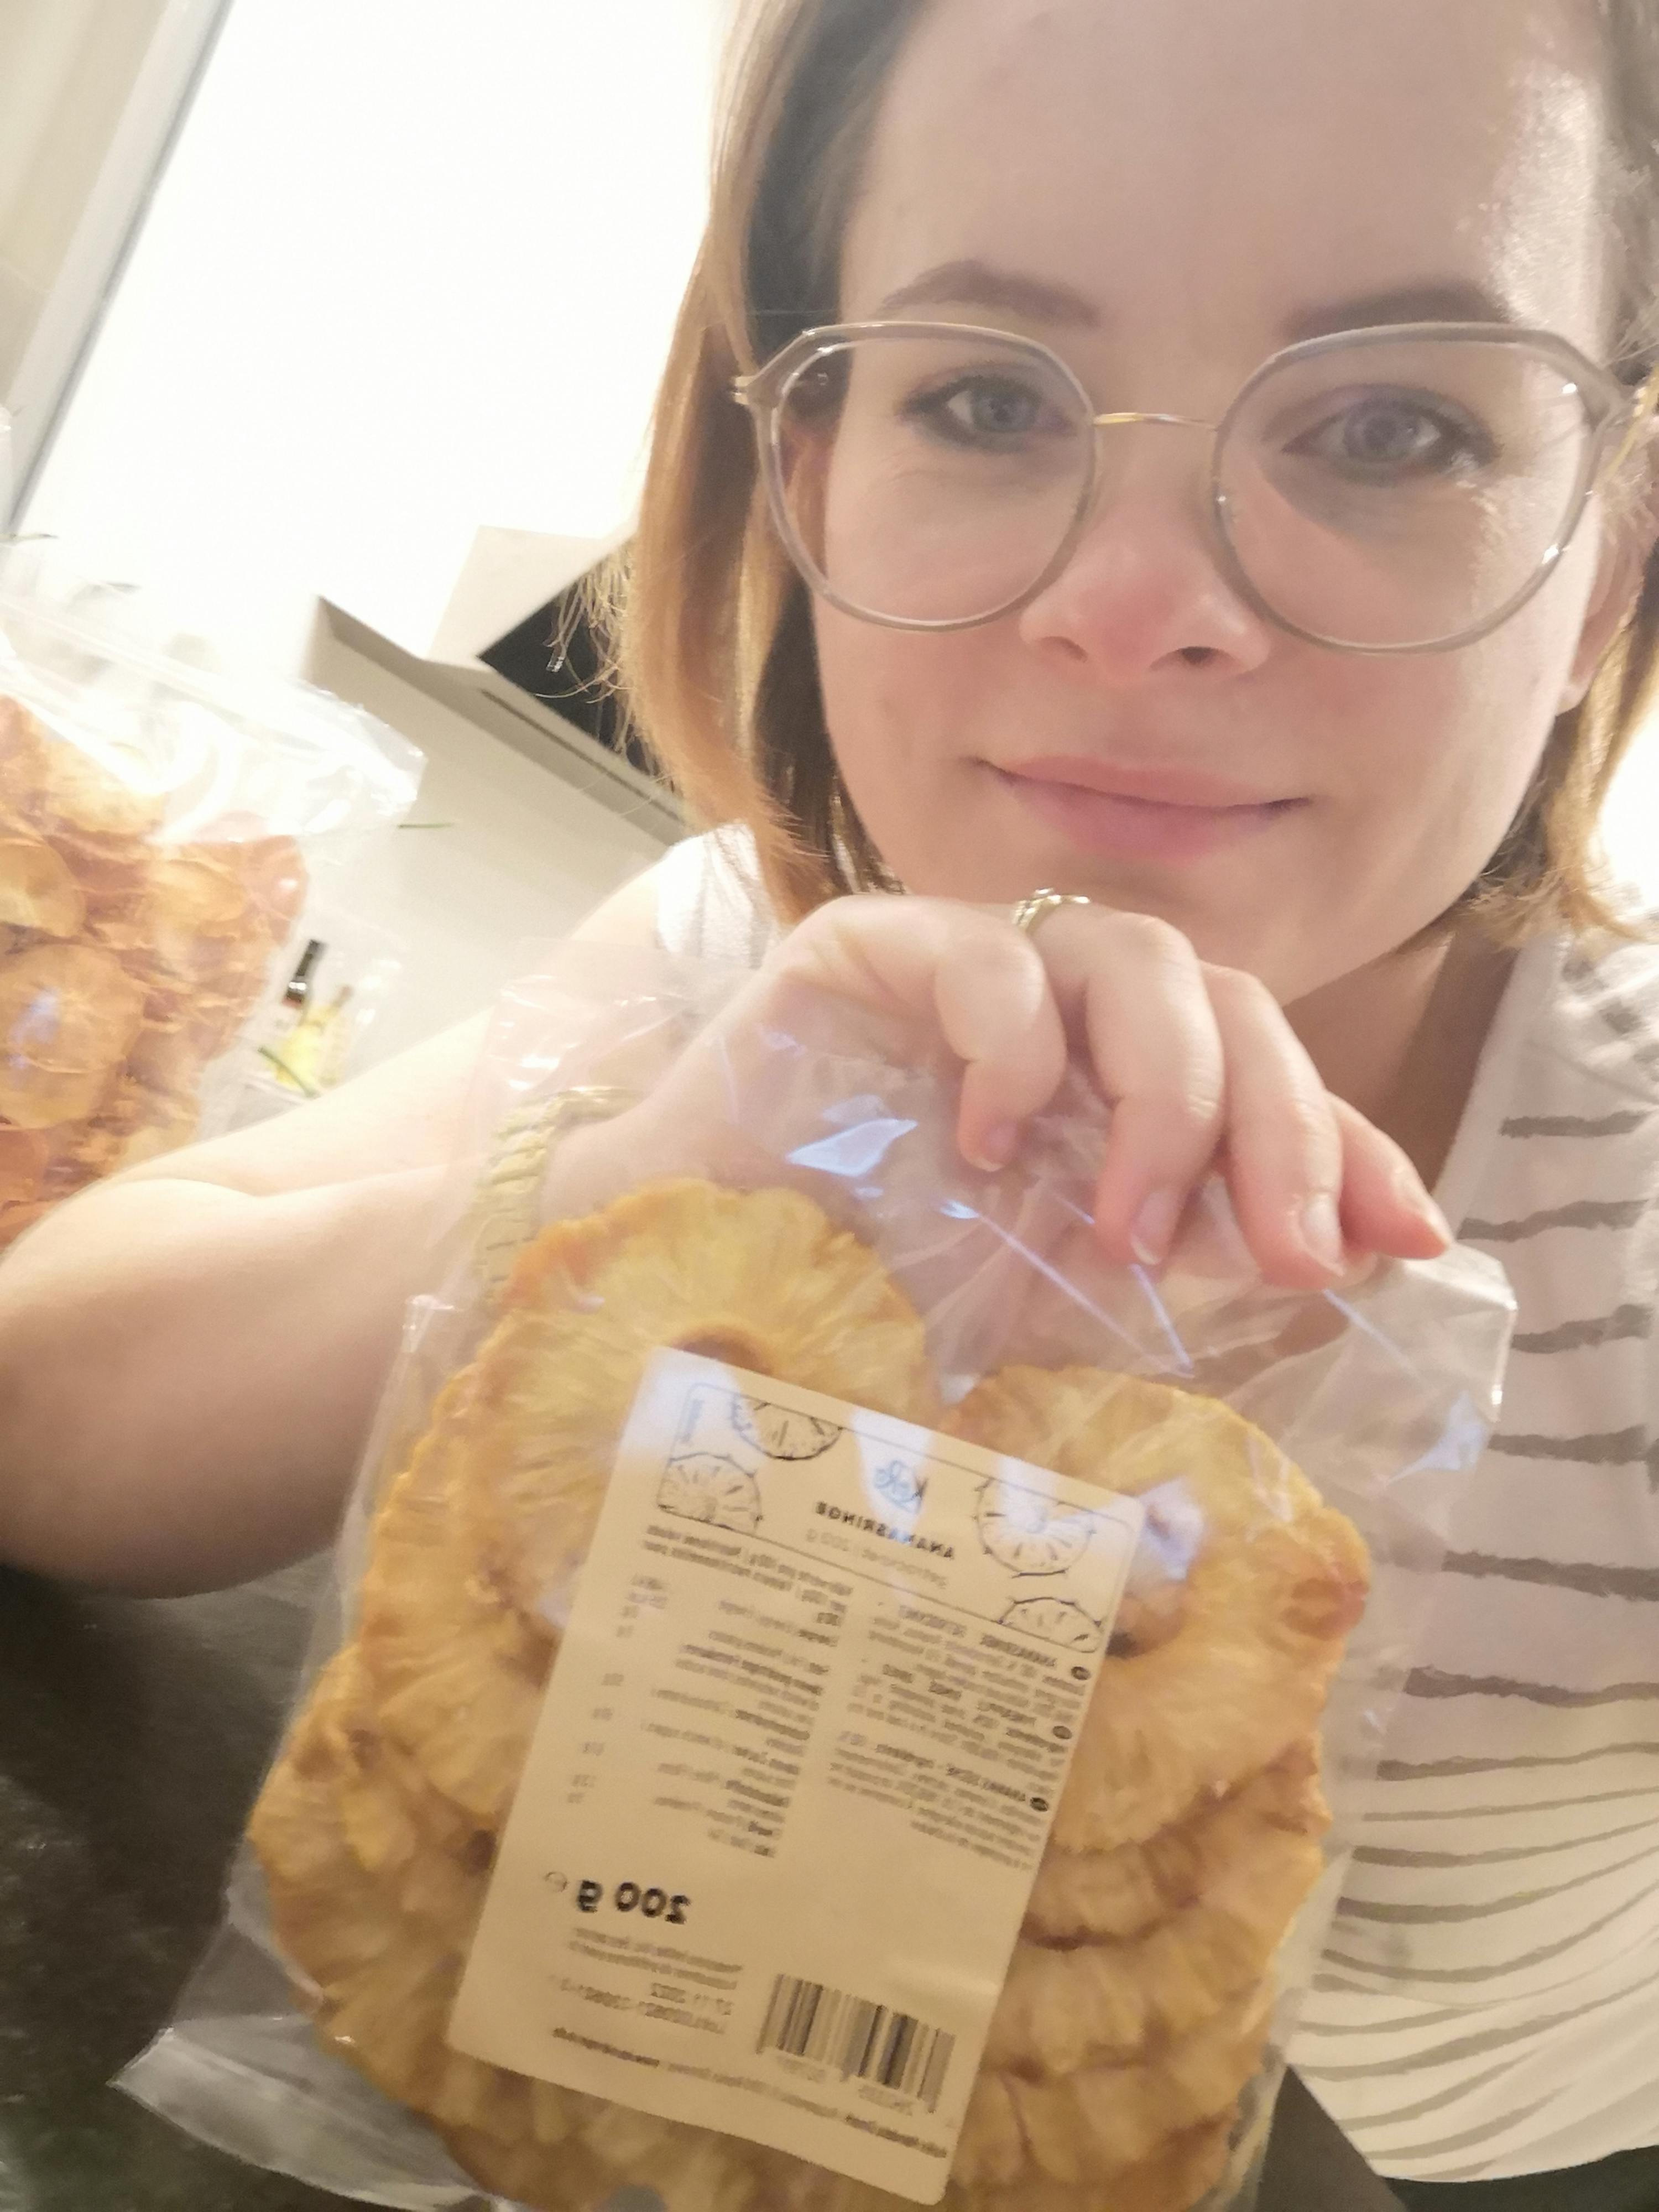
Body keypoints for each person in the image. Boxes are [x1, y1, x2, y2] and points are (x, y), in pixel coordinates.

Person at [0, 0, 1656, 2199]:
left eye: (1395, 432)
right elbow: (45, 1408)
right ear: (807, 477)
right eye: (985, 398)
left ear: (1604, 570)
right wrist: (613, 1185)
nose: (1139, 602)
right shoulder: (721, 975)